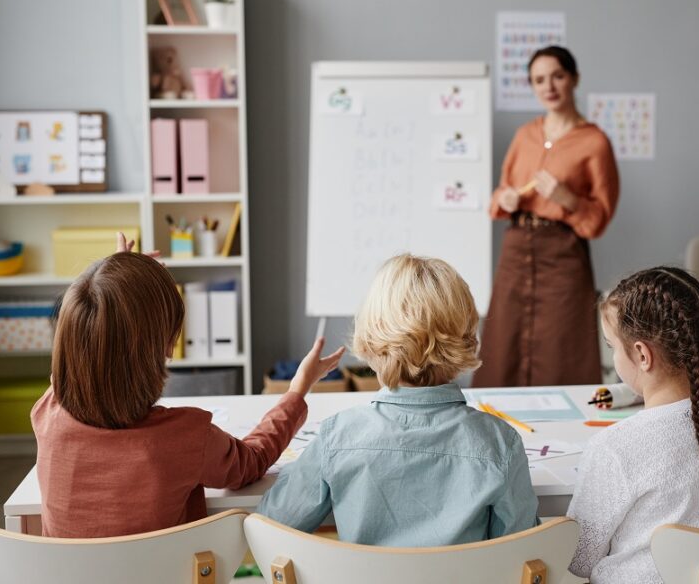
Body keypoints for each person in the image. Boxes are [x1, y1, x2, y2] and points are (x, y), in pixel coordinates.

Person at [32, 233, 344, 538]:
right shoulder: (187, 437)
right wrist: (297, 389)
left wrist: (118, 281)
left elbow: (77, 354)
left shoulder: (48, 414)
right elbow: (251, 463)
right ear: (168, 348)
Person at [257, 254, 539, 546]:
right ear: (467, 338)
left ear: (370, 338)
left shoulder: (337, 437)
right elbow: (525, 553)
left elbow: (271, 524)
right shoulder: (500, 443)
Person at [567, 266, 699, 583]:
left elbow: (576, 559)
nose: (613, 357)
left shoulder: (614, 448)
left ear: (642, 356)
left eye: (612, 346)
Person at [473, 46, 619, 388]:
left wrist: (565, 198)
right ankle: (497, 427)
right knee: (503, 341)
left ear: (574, 79)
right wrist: (505, 198)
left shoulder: (595, 142)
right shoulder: (525, 135)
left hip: (563, 253)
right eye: (539, 80)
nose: (549, 86)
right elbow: (498, 196)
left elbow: (598, 218)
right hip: (516, 248)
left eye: (557, 76)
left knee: (563, 345)